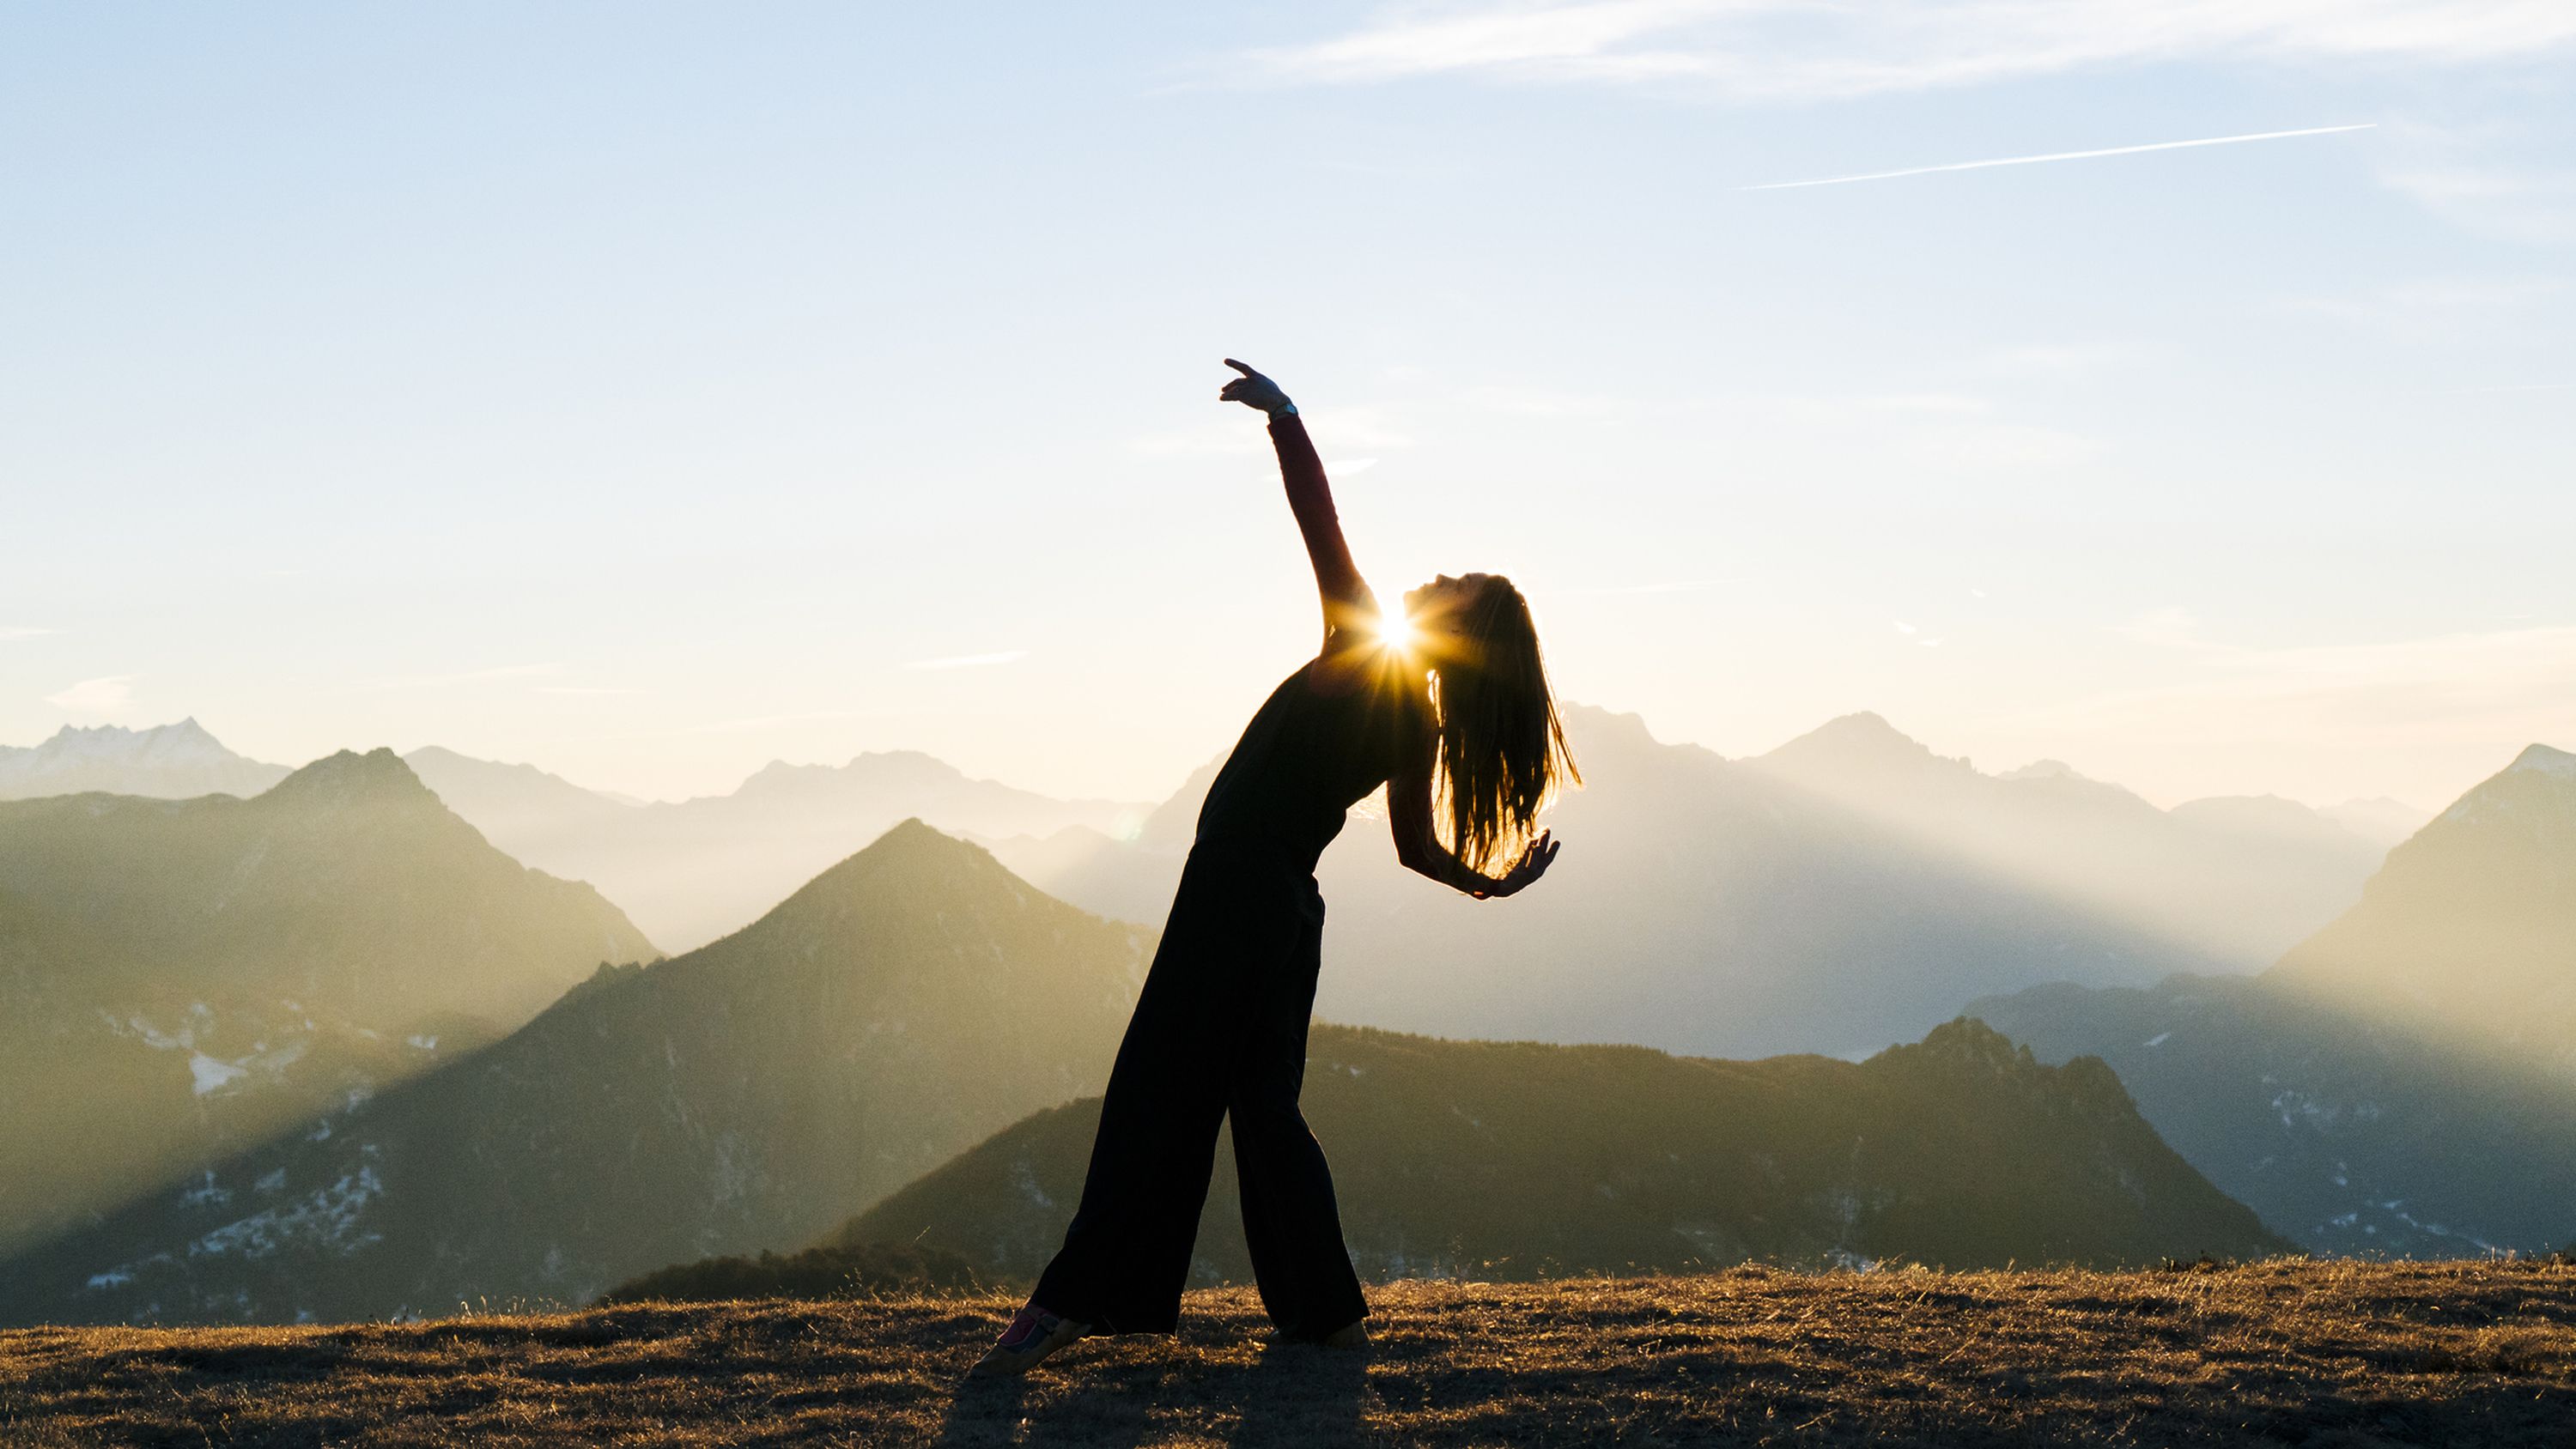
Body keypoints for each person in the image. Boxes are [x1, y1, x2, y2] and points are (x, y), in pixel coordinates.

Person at [972, 359, 1579, 1376]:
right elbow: (1416, 850)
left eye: (1455, 584)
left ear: (1459, 628)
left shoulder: (1363, 640)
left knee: (1154, 1088)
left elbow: (1319, 519)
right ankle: (1324, 1312)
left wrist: (1287, 418)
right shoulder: (1415, 716)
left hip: (1234, 897)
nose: (1435, 577)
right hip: (1288, 916)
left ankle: (1070, 1302)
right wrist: (1491, 881)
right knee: (1262, 1108)